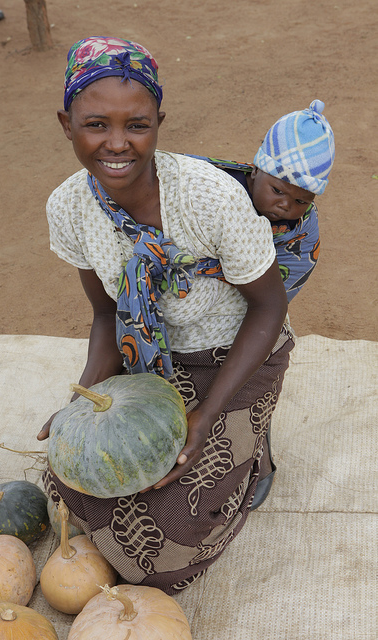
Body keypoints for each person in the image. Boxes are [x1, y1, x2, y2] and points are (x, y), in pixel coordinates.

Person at [38, 36, 293, 595]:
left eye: (138, 125)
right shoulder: (69, 207)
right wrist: (83, 402)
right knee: (69, 479)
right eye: (96, 124)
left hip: (240, 356)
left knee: (160, 556)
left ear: (159, 122)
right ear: (66, 124)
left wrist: (205, 417)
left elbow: (269, 308)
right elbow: (106, 316)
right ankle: (233, 443)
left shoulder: (210, 199)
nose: (117, 144)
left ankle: (256, 458)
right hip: (151, 358)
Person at [187, 100, 335, 302]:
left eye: (300, 201)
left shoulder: (301, 229)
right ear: (256, 170)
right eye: (277, 191)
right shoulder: (212, 188)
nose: (285, 205)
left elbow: (279, 290)